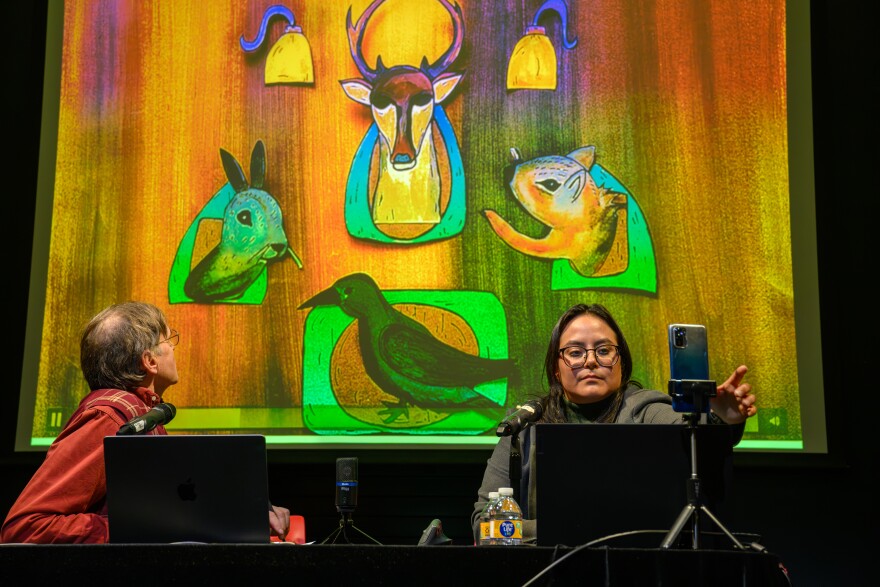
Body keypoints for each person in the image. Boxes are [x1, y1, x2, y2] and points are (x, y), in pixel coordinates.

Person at [1, 301, 291, 543]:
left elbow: (169, 511)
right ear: (150, 361)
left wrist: (243, 514)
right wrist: (133, 530)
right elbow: (25, 527)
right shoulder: (107, 418)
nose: (175, 349)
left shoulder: (143, 415)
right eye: (170, 339)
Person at [471, 303, 757, 544]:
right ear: (556, 370)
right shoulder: (524, 426)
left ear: (621, 362)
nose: (591, 361)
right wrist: (557, 531)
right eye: (575, 352)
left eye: (604, 350)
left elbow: (692, 436)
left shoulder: (645, 410)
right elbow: (483, 523)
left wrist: (720, 419)